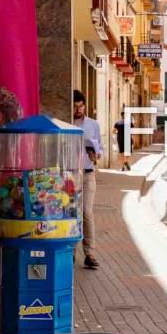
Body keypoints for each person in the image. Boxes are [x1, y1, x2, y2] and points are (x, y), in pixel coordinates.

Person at [72, 90, 101, 270]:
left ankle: (89, 253)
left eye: (81, 106)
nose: (78, 109)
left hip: (88, 173)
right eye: (75, 106)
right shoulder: (65, 123)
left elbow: (100, 149)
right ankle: (71, 252)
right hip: (70, 174)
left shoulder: (93, 124)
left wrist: (95, 153)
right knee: (71, 212)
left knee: (86, 212)